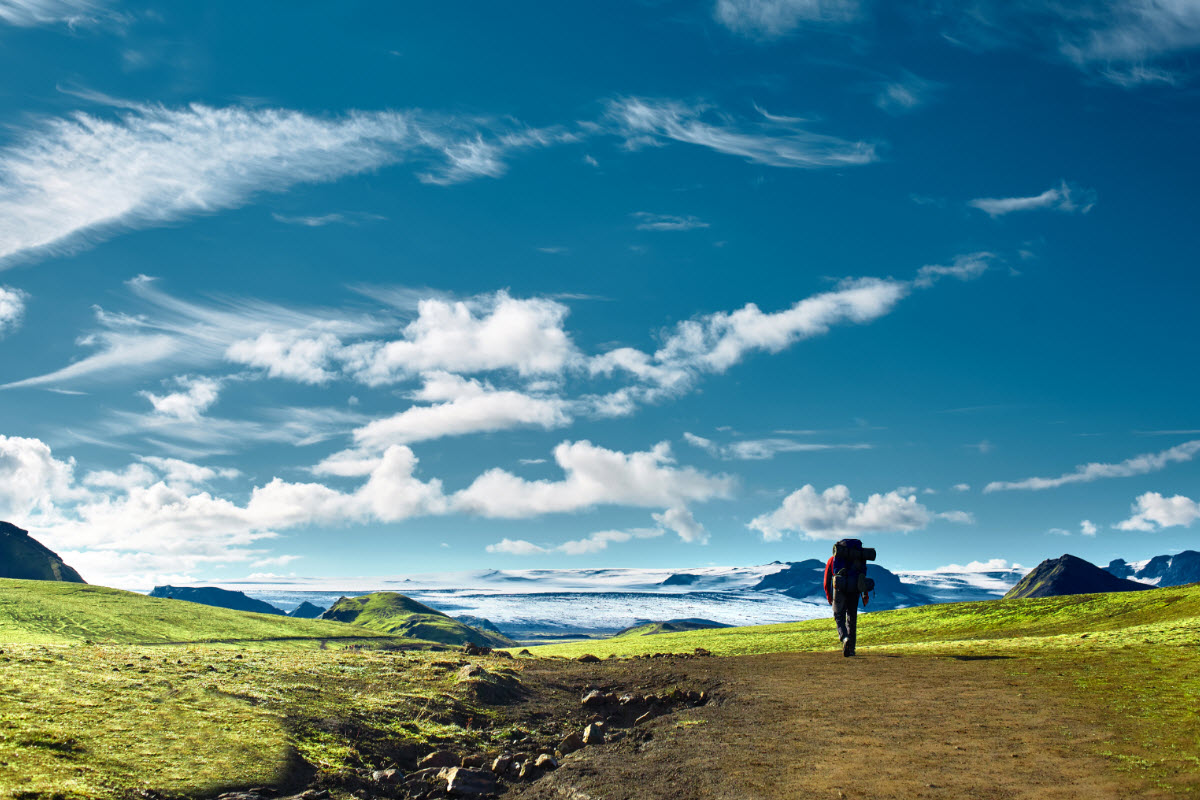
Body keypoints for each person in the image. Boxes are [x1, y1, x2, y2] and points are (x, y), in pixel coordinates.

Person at [824, 539, 872, 657]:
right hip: (854, 590)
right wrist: (865, 594)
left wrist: (829, 595)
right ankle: (852, 649)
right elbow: (862, 576)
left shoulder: (834, 559)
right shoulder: (859, 557)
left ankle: (845, 638)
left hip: (839, 589)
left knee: (839, 616)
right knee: (852, 618)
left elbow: (827, 579)